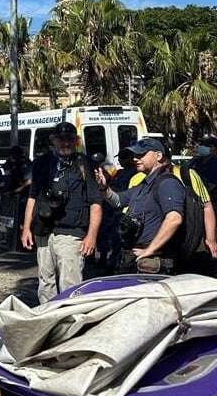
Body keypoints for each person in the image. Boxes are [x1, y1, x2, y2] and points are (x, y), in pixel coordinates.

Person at [22, 122, 103, 304]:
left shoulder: (85, 163)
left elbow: (96, 203)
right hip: (44, 232)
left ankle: (70, 327)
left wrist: (92, 236)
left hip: (71, 233)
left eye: (69, 140)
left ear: (76, 141)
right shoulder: (42, 163)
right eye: (61, 139)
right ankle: (49, 323)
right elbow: (32, 197)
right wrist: (26, 228)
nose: (65, 144)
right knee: (45, 283)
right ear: (53, 140)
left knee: (70, 286)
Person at [95, 138, 188, 275]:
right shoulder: (144, 183)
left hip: (154, 263)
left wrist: (150, 250)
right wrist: (104, 188)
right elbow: (118, 201)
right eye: (135, 155)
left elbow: (174, 219)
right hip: (136, 259)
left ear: (159, 156)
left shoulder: (167, 183)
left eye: (141, 155)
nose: (135, 159)